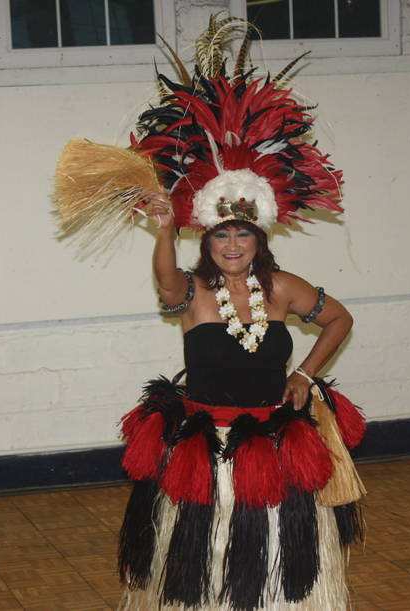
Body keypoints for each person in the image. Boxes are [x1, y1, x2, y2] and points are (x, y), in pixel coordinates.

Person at [117, 198, 366, 611]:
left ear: (259, 240)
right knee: (206, 554)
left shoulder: (282, 287)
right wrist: (164, 230)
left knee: (276, 552)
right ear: (207, 242)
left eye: (243, 233)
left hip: (274, 444)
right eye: (221, 234)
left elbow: (340, 319)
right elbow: (167, 282)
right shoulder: (192, 290)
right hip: (206, 448)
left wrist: (304, 374)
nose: (232, 245)